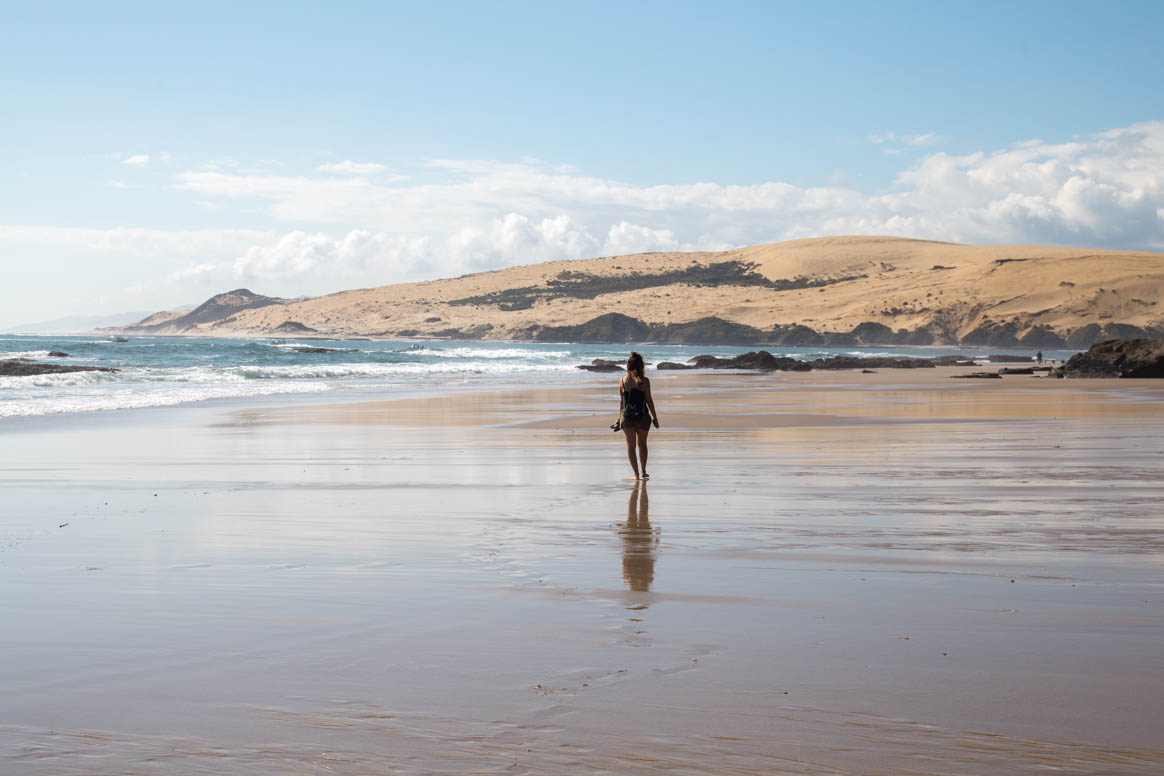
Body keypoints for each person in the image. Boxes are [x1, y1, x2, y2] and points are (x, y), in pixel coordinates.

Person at [616, 351, 658, 480]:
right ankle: (644, 471)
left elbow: (622, 401)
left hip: (627, 417)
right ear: (641, 366)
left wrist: (619, 418)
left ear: (628, 366)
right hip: (643, 416)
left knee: (630, 446)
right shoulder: (645, 381)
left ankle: (636, 474)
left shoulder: (622, 381)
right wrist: (655, 417)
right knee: (642, 445)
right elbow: (649, 400)